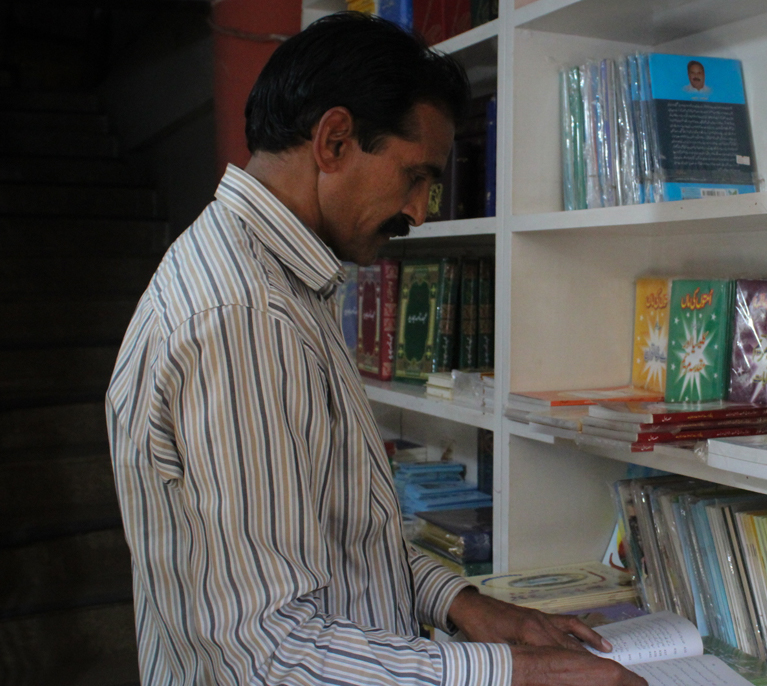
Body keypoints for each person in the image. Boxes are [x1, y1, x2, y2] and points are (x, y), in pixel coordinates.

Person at [105, 13, 647, 686]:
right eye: (413, 176)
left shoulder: (282, 283)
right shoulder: (244, 319)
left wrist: (460, 602)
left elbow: (333, 537)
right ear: (333, 140)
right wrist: (516, 673)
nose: (419, 212)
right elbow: (267, 653)